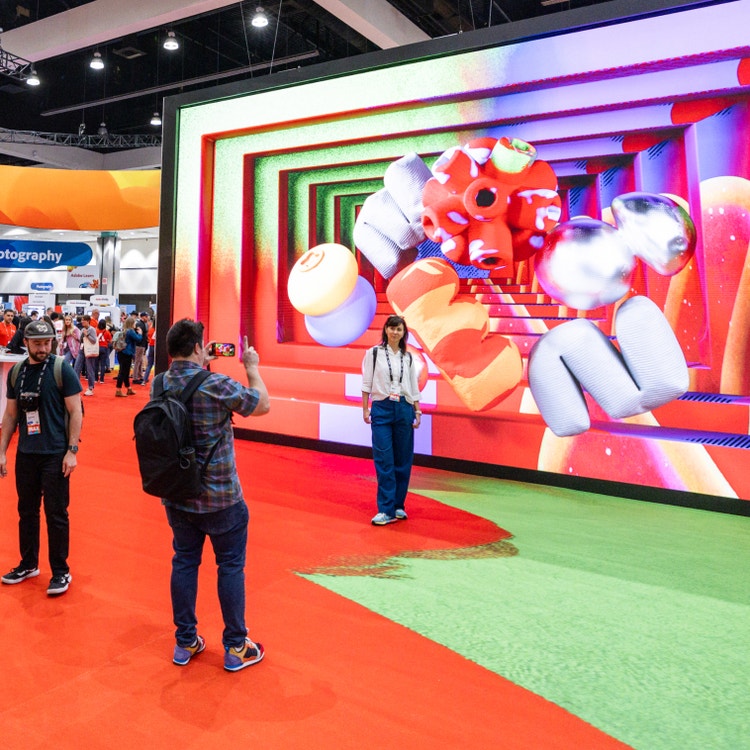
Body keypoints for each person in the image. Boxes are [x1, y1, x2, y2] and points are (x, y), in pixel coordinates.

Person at [158, 318, 269, 671]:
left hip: (177, 494)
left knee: (184, 562)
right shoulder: (215, 384)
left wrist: (198, 363)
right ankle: (236, 647)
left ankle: (185, 641)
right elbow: (261, 404)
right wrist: (251, 367)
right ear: (197, 347)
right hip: (221, 496)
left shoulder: (159, 384)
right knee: (230, 567)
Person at [0, 319, 83, 596]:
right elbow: (11, 415)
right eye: (37, 343)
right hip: (26, 453)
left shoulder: (61, 369)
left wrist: (72, 451)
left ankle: (61, 571)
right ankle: (28, 564)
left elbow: (76, 411)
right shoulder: (17, 372)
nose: (43, 348)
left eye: (47, 342)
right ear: (26, 343)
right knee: (26, 511)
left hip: (55, 454)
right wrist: (2, 451)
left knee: (56, 513)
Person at [361, 314, 422, 526]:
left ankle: (398, 506)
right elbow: (366, 383)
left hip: (404, 408)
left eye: (399, 329)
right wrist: (365, 409)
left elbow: (413, 386)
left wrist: (417, 410)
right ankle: (385, 510)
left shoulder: (409, 357)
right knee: (384, 459)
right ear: (386, 330)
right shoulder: (373, 353)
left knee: (403, 460)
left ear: (404, 333)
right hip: (382, 408)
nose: (395, 332)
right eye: (392, 328)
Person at [115, 316, 141, 397]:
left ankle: (128, 388)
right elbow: (138, 339)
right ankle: (118, 390)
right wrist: (140, 333)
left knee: (125, 371)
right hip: (127, 353)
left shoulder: (124, 330)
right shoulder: (130, 331)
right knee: (123, 372)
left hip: (121, 352)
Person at [77, 315, 98, 396]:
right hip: (82, 350)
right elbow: (80, 340)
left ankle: (90, 387)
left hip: (89, 351)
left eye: (84, 320)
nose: (82, 322)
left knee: (90, 369)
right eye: (82, 320)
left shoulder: (92, 329)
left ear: (88, 321)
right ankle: (75, 386)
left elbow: (94, 341)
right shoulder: (82, 329)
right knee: (76, 368)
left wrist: (87, 335)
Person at [132, 311, 150, 384]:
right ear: (142, 317)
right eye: (146, 316)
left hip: (141, 344)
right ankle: (135, 377)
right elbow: (140, 335)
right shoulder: (140, 324)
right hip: (139, 345)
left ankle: (139, 375)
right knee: (137, 361)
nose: (147, 318)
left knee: (140, 361)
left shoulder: (142, 324)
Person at [96, 319, 112, 384]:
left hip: (97, 348)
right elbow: (110, 341)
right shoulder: (107, 332)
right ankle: (102, 379)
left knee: (96, 364)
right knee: (103, 364)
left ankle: (96, 378)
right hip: (104, 348)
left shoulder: (96, 331)